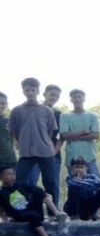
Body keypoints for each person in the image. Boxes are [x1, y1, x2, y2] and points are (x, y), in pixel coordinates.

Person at [10, 78, 59, 207]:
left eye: (32, 90)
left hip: (45, 152)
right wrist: (20, 143)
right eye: (27, 90)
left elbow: (50, 131)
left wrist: (43, 143)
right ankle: (21, 210)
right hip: (26, 152)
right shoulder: (16, 111)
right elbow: (14, 131)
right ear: (23, 92)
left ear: (38, 91)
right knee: (19, 182)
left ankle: (53, 213)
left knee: (50, 182)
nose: (30, 93)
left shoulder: (47, 111)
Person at [0, 164, 67, 236]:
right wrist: (5, 220)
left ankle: (56, 213)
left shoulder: (20, 185)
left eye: (13, 174)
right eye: (8, 174)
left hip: (31, 210)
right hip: (18, 215)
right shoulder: (2, 193)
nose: (12, 177)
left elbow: (37, 191)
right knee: (33, 215)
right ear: (1, 177)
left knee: (38, 190)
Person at [59, 89, 100, 178]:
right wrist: (83, 132)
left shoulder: (92, 116)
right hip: (72, 157)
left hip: (89, 157)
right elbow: (64, 135)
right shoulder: (65, 116)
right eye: (74, 97)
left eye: (79, 97)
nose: (77, 99)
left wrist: (73, 137)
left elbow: (96, 135)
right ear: (71, 100)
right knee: (75, 186)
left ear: (84, 99)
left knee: (96, 184)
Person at [0, 92, 15, 173]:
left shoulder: (8, 121)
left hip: (8, 160)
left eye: (3, 103)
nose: (1, 106)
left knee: (9, 184)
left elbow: (13, 139)